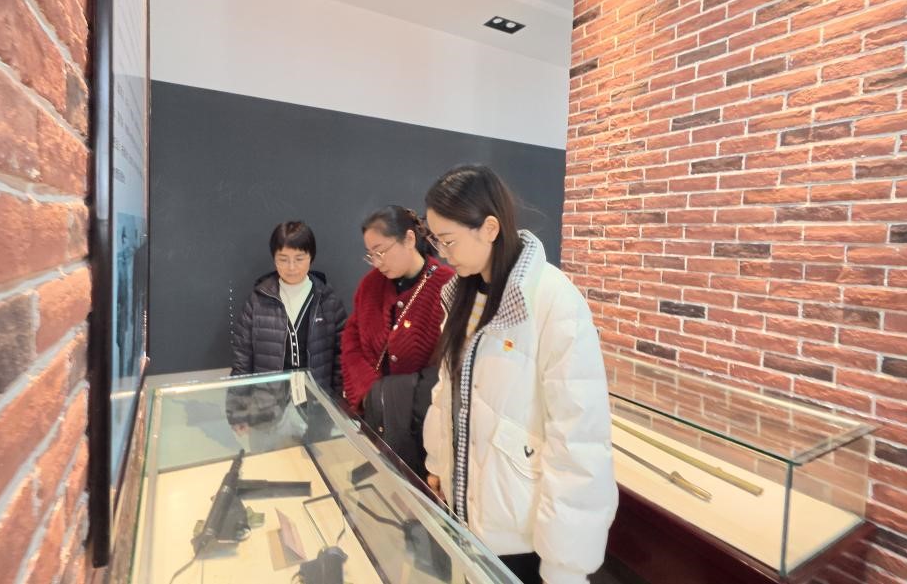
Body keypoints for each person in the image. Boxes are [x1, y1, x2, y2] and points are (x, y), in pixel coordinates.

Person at [421, 166, 617, 584]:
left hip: (519, 530)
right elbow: (447, 392)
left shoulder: (552, 299)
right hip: (465, 510)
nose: (442, 253)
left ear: (489, 228)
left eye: (448, 240)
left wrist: (566, 565)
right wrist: (437, 460)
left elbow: (579, 438)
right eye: (436, 240)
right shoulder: (462, 294)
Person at [341, 206, 454, 477]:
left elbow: (448, 366)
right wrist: (371, 393)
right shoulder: (370, 285)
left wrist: (396, 398)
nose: (377, 262)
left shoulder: (446, 285)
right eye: (371, 255)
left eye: (381, 251)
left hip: (423, 432)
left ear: (409, 239)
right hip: (376, 422)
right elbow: (351, 341)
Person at [230, 221, 347, 395]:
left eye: (299, 259)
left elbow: (342, 360)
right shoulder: (257, 301)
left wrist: (336, 405)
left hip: (317, 403)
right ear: (274, 258)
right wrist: (237, 407)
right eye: (283, 259)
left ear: (311, 257)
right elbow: (242, 361)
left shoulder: (328, 301)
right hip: (268, 404)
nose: (291, 267)